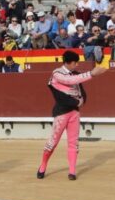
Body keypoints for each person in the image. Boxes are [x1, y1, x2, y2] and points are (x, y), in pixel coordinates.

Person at [36, 51, 107, 180]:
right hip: (61, 113)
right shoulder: (57, 73)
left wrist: (81, 101)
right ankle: (43, 165)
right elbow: (69, 81)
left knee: (73, 143)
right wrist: (91, 74)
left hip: (74, 112)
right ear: (68, 63)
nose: (77, 65)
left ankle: (72, 171)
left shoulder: (76, 74)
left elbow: (81, 91)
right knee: (53, 142)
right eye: (75, 63)